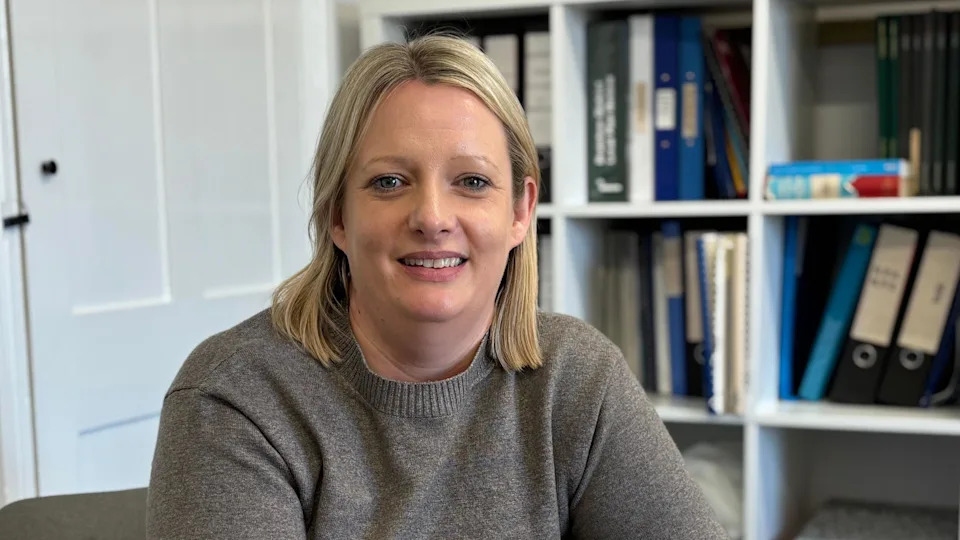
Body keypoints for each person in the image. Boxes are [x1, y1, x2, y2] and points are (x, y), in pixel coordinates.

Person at [146, 34, 728, 539]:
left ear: (520, 212)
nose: (431, 216)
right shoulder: (236, 399)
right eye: (389, 181)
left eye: (472, 181)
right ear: (338, 217)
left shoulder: (577, 379)